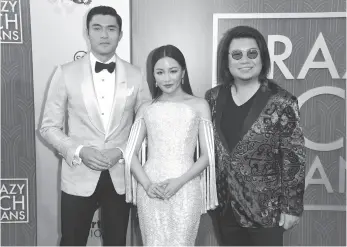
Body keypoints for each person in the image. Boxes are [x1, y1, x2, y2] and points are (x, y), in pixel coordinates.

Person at [39, 6, 151, 246]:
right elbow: (48, 127)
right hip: (78, 173)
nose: (104, 35)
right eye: (97, 28)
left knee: (116, 242)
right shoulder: (65, 73)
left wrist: (121, 151)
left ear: (120, 34)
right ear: (87, 32)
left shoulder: (136, 75)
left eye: (111, 29)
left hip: (120, 175)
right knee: (71, 241)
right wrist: (80, 151)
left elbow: (146, 124)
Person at [205, 25, 306, 246]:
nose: (245, 60)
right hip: (225, 205)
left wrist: (292, 208)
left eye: (252, 53)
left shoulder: (282, 101)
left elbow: (294, 159)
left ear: (262, 58)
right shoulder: (212, 98)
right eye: (237, 54)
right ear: (227, 60)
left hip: (266, 210)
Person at [124, 45, 218, 246]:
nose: (167, 78)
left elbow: (208, 154)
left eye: (173, 71)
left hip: (186, 185)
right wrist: (147, 185)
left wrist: (180, 181)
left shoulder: (200, 105)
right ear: (153, 76)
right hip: (151, 188)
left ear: (183, 72)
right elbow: (130, 152)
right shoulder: (145, 108)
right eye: (160, 72)